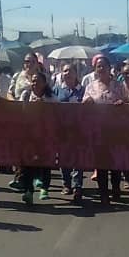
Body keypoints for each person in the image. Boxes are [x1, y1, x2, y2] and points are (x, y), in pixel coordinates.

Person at [82, 55, 129, 205]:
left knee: (115, 163)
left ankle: (116, 189)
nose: (101, 69)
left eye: (104, 66)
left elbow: (128, 103)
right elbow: (84, 102)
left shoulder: (118, 86)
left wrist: (122, 103)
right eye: (98, 66)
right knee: (101, 163)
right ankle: (103, 193)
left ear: (110, 68)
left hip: (115, 130)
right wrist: (87, 102)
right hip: (98, 131)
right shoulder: (91, 87)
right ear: (95, 70)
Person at [19, 71, 57, 205]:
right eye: (33, 81)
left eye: (38, 81)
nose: (35, 84)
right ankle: (28, 191)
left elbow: (57, 114)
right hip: (28, 135)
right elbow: (19, 112)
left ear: (44, 83)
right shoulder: (26, 95)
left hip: (46, 135)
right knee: (28, 164)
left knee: (45, 162)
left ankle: (44, 188)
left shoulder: (51, 97)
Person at [54, 64, 85, 199]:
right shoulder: (57, 90)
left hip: (79, 130)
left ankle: (77, 185)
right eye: (64, 70)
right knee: (63, 158)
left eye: (69, 71)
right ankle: (66, 184)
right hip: (62, 130)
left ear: (75, 74)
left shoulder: (83, 90)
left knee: (78, 158)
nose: (67, 73)